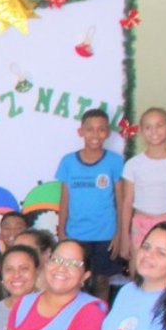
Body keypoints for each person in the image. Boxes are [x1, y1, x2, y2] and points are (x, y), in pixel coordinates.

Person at [53, 109, 124, 292]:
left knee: (102, 280)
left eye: (101, 129)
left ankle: (101, 318)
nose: (95, 134)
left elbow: (121, 200)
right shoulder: (68, 162)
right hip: (76, 234)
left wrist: (119, 233)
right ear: (81, 132)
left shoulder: (115, 161)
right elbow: (64, 199)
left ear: (107, 133)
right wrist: (62, 231)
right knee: (76, 281)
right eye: (90, 129)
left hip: (105, 234)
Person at [114, 107, 166, 265]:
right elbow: (127, 202)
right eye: (148, 127)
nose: (154, 131)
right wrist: (125, 238)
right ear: (141, 132)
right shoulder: (133, 165)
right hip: (141, 222)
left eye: (159, 126)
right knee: (139, 267)